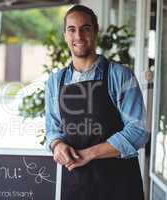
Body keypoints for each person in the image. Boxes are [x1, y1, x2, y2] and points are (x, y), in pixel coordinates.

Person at [45, 5, 149, 200]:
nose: (79, 36)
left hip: (119, 185)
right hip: (75, 184)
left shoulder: (120, 76)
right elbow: (52, 130)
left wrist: (89, 154)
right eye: (72, 29)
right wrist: (57, 145)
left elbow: (139, 131)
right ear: (65, 35)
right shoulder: (54, 81)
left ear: (95, 31)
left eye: (85, 28)